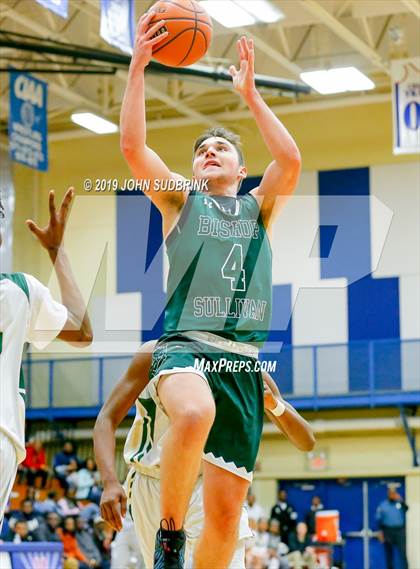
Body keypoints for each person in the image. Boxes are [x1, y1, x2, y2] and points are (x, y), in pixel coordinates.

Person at [120, 10, 301, 567]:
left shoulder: (257, 209)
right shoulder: (181, 202)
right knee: (193, 414)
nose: (208, 151)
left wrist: (249, 94)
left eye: (220, 148)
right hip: (186, 345)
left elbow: (290, 159)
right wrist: (138, 67)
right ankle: (168, 538)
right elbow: (133, 149)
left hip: (242, 362)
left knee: (225, 525)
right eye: (201, 149)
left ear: (242, 169)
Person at [93, 341, 314, 569]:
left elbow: (306, 441)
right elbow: (106, 419)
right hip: (155, 483)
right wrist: (109, 481)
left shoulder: (244, 363)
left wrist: (274, 404)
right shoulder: (155, 352)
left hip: (214, 483)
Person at [0, 188, 92, 529]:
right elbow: (82, 331)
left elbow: (82, 331)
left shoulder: (20, 292)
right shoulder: (19, 291)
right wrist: (56, 251)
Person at [376, 485, 409, 569]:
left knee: (402, 552)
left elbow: (407, 509)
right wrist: (380, 532)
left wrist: (401, 500)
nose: (392, 495)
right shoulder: (383, 505)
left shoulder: (399, 503)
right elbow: (379, 519)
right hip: (388, 530)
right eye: (390, 493)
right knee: (389, 554)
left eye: (394, 493)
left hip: (399, 531)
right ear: (388, 494)